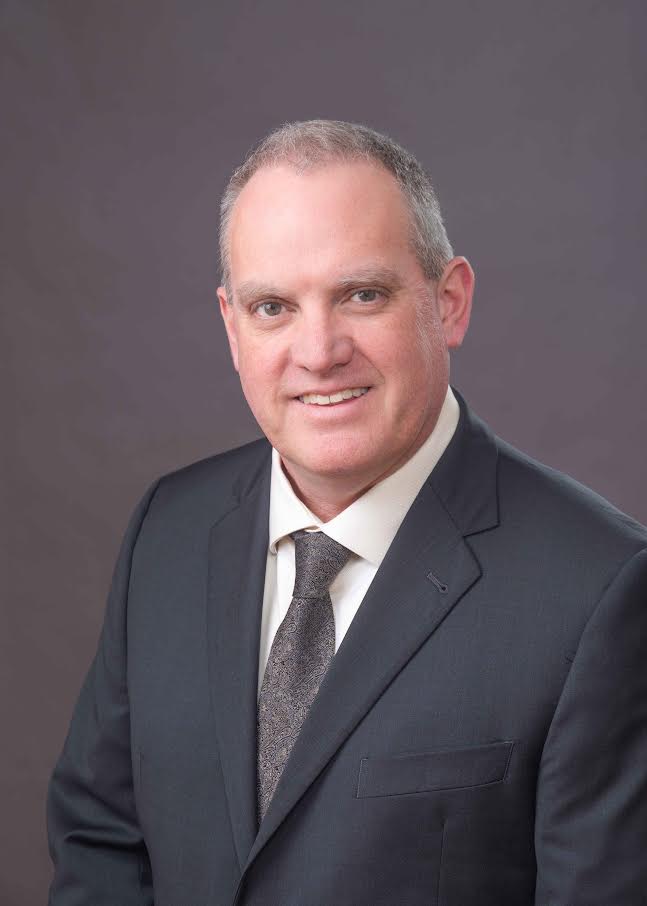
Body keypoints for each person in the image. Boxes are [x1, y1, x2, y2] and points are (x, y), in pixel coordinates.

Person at [47, 120, 647, 906]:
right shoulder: (169, 529)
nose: (319, 351)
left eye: (362, 295)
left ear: (448, 302)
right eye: (272, 307)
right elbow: (100, 846)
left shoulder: (597, 590)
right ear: (232, 327)